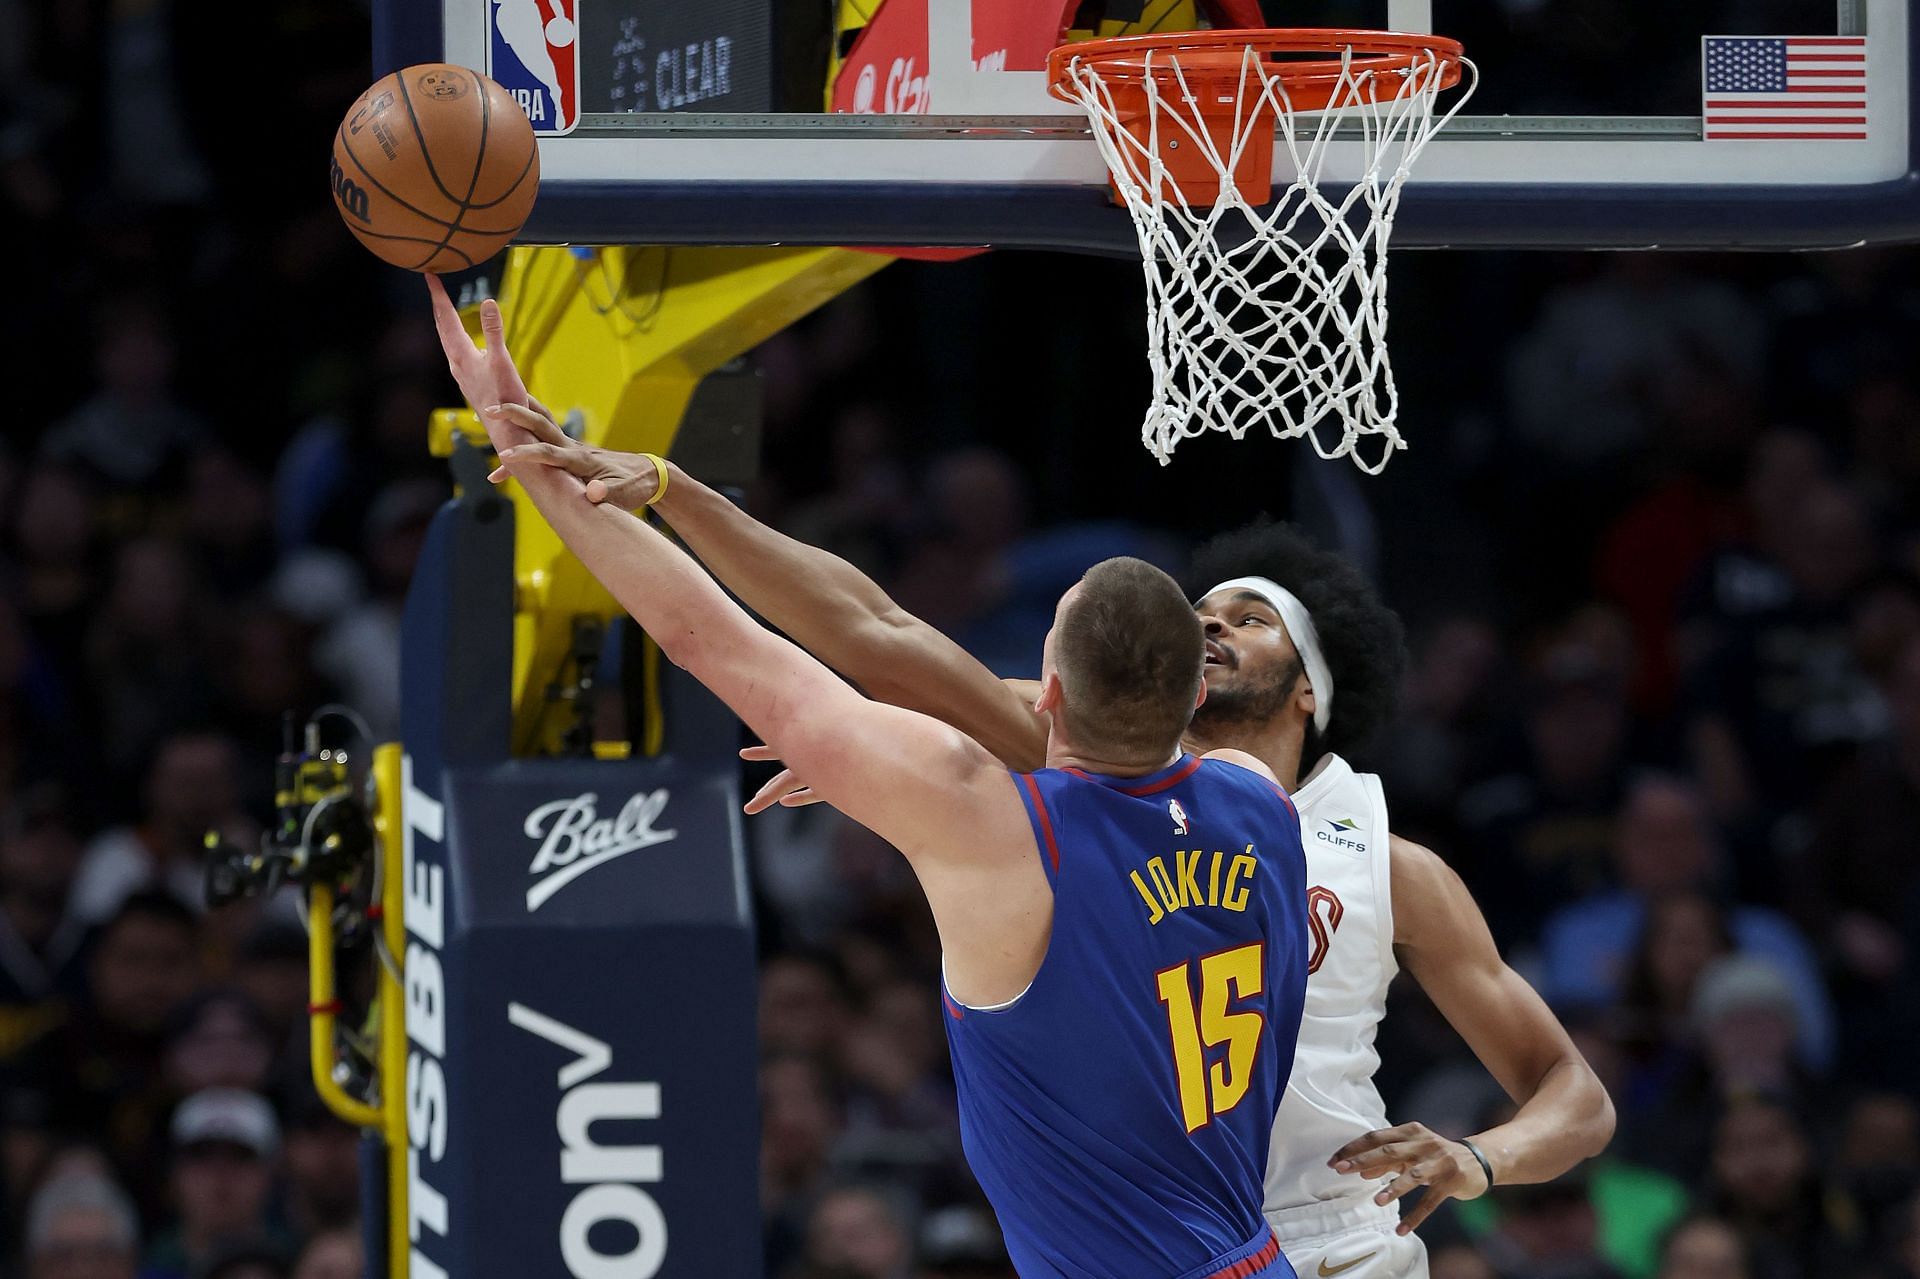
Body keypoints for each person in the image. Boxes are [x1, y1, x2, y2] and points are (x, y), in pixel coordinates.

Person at [476, 381, 1618, 1276]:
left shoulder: (1367, 856)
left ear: (1311, 689)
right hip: (1225, 1240)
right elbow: (880, 634)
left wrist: (1477, 1156)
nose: (1216, 625)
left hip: (1329, 1238)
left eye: (1252, 620)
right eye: (1204, 612)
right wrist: (890, 774)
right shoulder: (1240, 807)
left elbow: (1575, 1094)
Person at [438, 280, 1313, 1279]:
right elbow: (926, 656)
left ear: (1050, 687)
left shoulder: (988, 819)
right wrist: (889, 755)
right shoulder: (1257, 799)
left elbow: (716, 639)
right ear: (1197, 689)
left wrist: (536, 461)